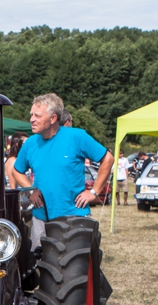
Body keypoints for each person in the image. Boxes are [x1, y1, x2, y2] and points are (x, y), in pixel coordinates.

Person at [11, 93, 114, 250]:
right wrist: (31, 190)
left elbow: (108, 159)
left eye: (37, 115)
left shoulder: (77, 137)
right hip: (41, 218)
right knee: (38, 265)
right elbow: (17, 171)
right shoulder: (31, 143)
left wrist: (94, 191)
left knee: (74, 269)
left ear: (53, 119)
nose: (32, 119)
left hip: (73, 216)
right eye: (31, 114)